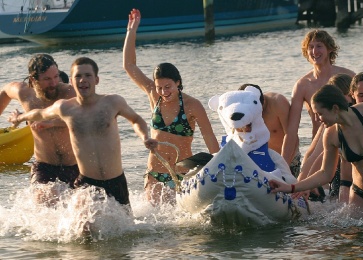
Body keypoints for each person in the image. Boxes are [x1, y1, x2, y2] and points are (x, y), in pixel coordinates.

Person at [8, 57, 158, 207]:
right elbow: (38, 113)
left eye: (88, 76)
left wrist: (145, 137)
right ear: (71, 82)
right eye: (78, 76)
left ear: (97, 80)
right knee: (82, 226)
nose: (83, 80)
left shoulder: (112, 102)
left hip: (116, 180)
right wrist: (19, 117)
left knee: (126, 228)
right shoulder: (64, 107)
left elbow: (136, 119)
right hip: (85, 180)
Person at [123, 9, 220, 205]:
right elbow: (129, 66)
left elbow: (210, 140)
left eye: (168, 87)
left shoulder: (193, 106)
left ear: (178, 83)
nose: (164, 92)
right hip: (154, 174)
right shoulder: (154, 96)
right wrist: (131, 31)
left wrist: (220, 167)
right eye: (159, 87)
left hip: (181, 174)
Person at [269, 84, 363, 217]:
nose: (317, 119)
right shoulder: (331, 135)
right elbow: (325, 173)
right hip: (361, 195)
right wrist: (291, 187)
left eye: (319, 114)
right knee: (352, 232)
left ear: (335, 108)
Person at [0, 54, 78, 204]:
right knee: (45, 199)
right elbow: (5, 91)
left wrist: (52, 122)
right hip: (44, 166)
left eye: (56, 76)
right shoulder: (24, 93)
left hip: (74, 165)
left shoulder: (69, 92)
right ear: (33, 79)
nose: (54, 83)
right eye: (47, 79)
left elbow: (82, 119)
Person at [282, 29, 355, 166]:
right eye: (311, 47)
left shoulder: (348, 77)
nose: (315, 51)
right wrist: (283, 165)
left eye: (319, 46)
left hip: (349, 140)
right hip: (320, 144)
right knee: (307, 179)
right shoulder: (302, 85)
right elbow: (291, 131)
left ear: (329, 49)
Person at [297, 73, 353, 202]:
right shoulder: (330, 124)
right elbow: (314, 154)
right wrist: (302, 184)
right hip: (338, 176)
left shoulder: (360, 114)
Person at [238, 83, 301, 177]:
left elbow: (291, 135)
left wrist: (283, 167)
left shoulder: (277, 102)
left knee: (288, 189)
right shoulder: (243, 110)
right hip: (262, 160)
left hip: (288, 159)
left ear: (262, 100)